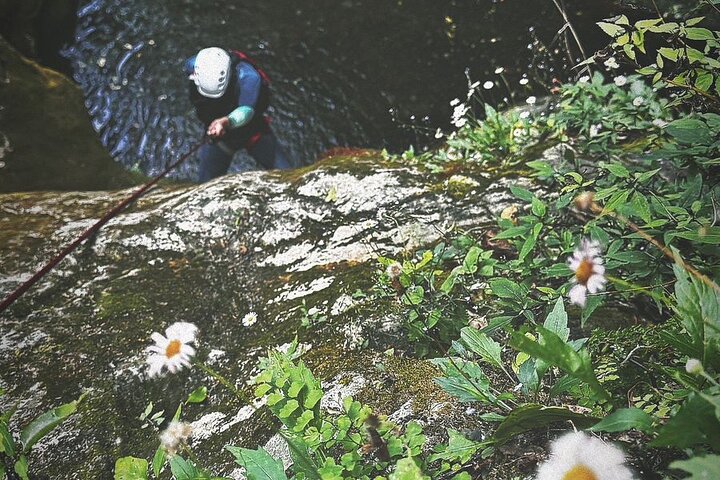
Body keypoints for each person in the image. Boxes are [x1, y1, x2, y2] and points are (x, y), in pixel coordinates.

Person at [185, 47, 291, 182]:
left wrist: (225, 121)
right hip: (220, 136)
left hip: (252, 131)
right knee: (205, 183)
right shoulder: (195, 66)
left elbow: (246, 111)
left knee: (287, 176)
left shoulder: (249, 78)